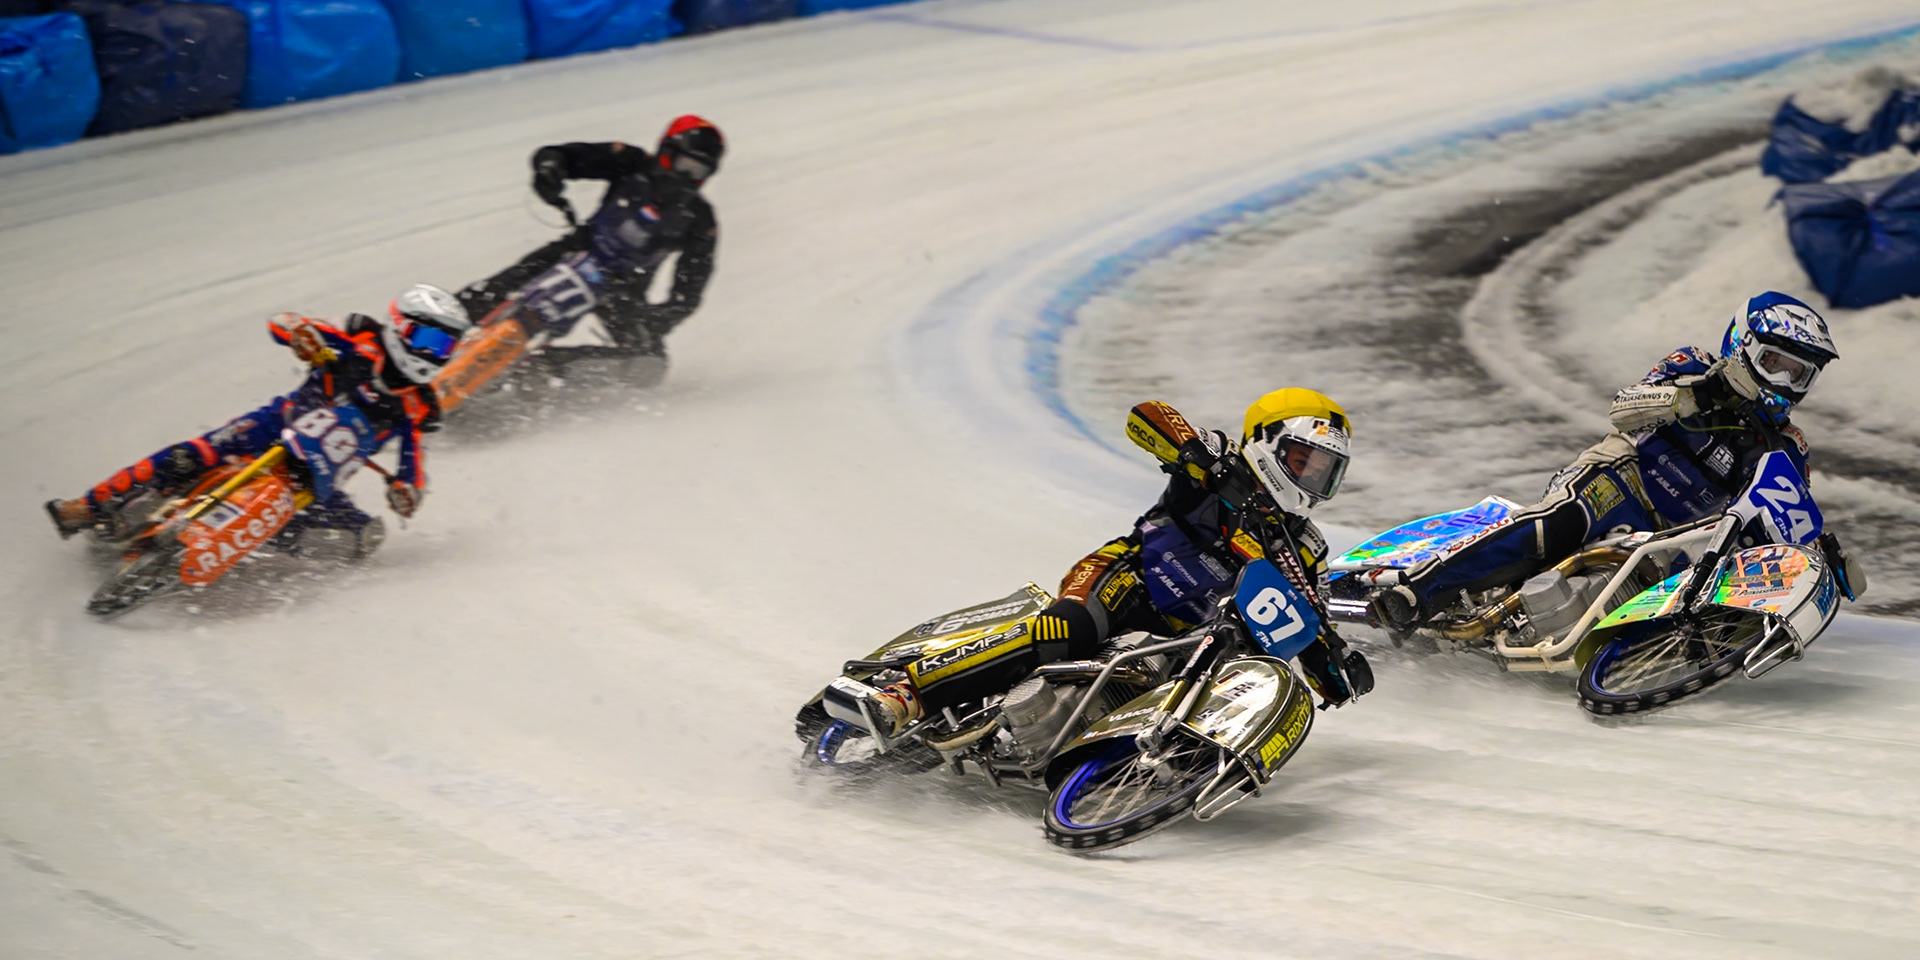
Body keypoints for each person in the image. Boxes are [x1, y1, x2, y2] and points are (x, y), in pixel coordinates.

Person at [865, 388, 1375, 738]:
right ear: (1267, 444)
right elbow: (1147, 414)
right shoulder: (1226, 456)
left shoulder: (1306, 546)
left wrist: (1333, 661)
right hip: (1131, 576)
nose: (1314, 477)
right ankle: (909, 693)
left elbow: (1308, 615)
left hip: (1189, 644)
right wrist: (1199, 459)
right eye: (1305, 460)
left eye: (1327, 470)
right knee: (1066, 628)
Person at [1370, 291, 1838, 630]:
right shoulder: (1693, 363)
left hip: (1680, 538)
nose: (1785, 381)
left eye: (1800, 374)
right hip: (1624, 476)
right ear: (1744, 344)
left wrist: (1820, 551)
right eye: (1777, 363)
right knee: (1558, 523)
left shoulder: (1787, 444)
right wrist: (1696, 394)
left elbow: (1787, 513)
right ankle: (1417, 590)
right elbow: (1624, 408)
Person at [45, 285, 472, 560]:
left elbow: (413, 462)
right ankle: (88, 506)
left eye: (445, 347)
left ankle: (246, 552)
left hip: (316, 479)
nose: (433, 356)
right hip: (272, 427)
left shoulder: (414, 406)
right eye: (429, 341)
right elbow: (286, 322)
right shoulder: (359, 347)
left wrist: (406, 489)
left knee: (361, 538)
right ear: (401, 327)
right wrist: (302, 335)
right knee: (190, 455)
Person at [453, 115, 723, 374]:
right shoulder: (629, 162)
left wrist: (658, 321)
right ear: (666, 151)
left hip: (623, 290)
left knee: (647, 364)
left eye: (697, 171)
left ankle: (542, 370)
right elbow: (564, 156)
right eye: (684, 165)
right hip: (577, 251)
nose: (687, 177)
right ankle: (432, 330)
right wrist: (549, 170)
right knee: (490, 293)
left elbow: (688, 291)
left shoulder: (699, 219)